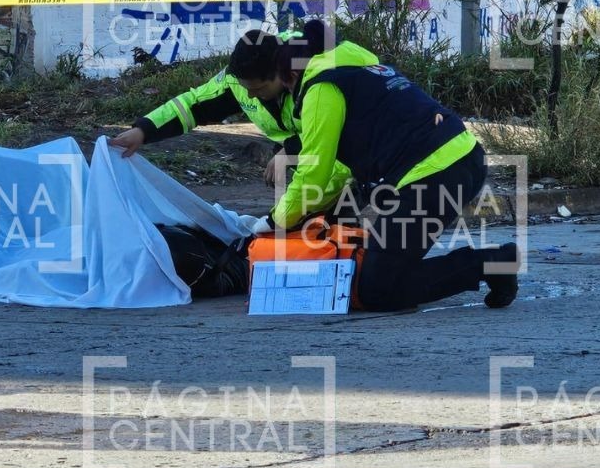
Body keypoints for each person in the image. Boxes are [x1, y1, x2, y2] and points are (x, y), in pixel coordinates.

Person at [252, 20, 519, 310]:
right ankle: (493, 264)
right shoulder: (358, 68)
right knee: (386, 273)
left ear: (292, 75)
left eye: (287, 89)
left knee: (378, 289)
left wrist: (275, 220)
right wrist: (303, 211)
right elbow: (337, 169)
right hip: (462, 160)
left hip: (432, 175)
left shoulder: (321, 87)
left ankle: (494, 263)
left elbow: (313, 170)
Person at [110, 29, 368, 196]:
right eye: (247, 89)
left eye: (259, 88)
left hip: (363, 151)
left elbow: (335, 124)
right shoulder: (240, 79)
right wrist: (143, 130)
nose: (251, 96)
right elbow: (192, 104)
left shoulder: (319, 70)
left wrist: (290, 150)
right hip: (324, 163)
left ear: (284, 73)